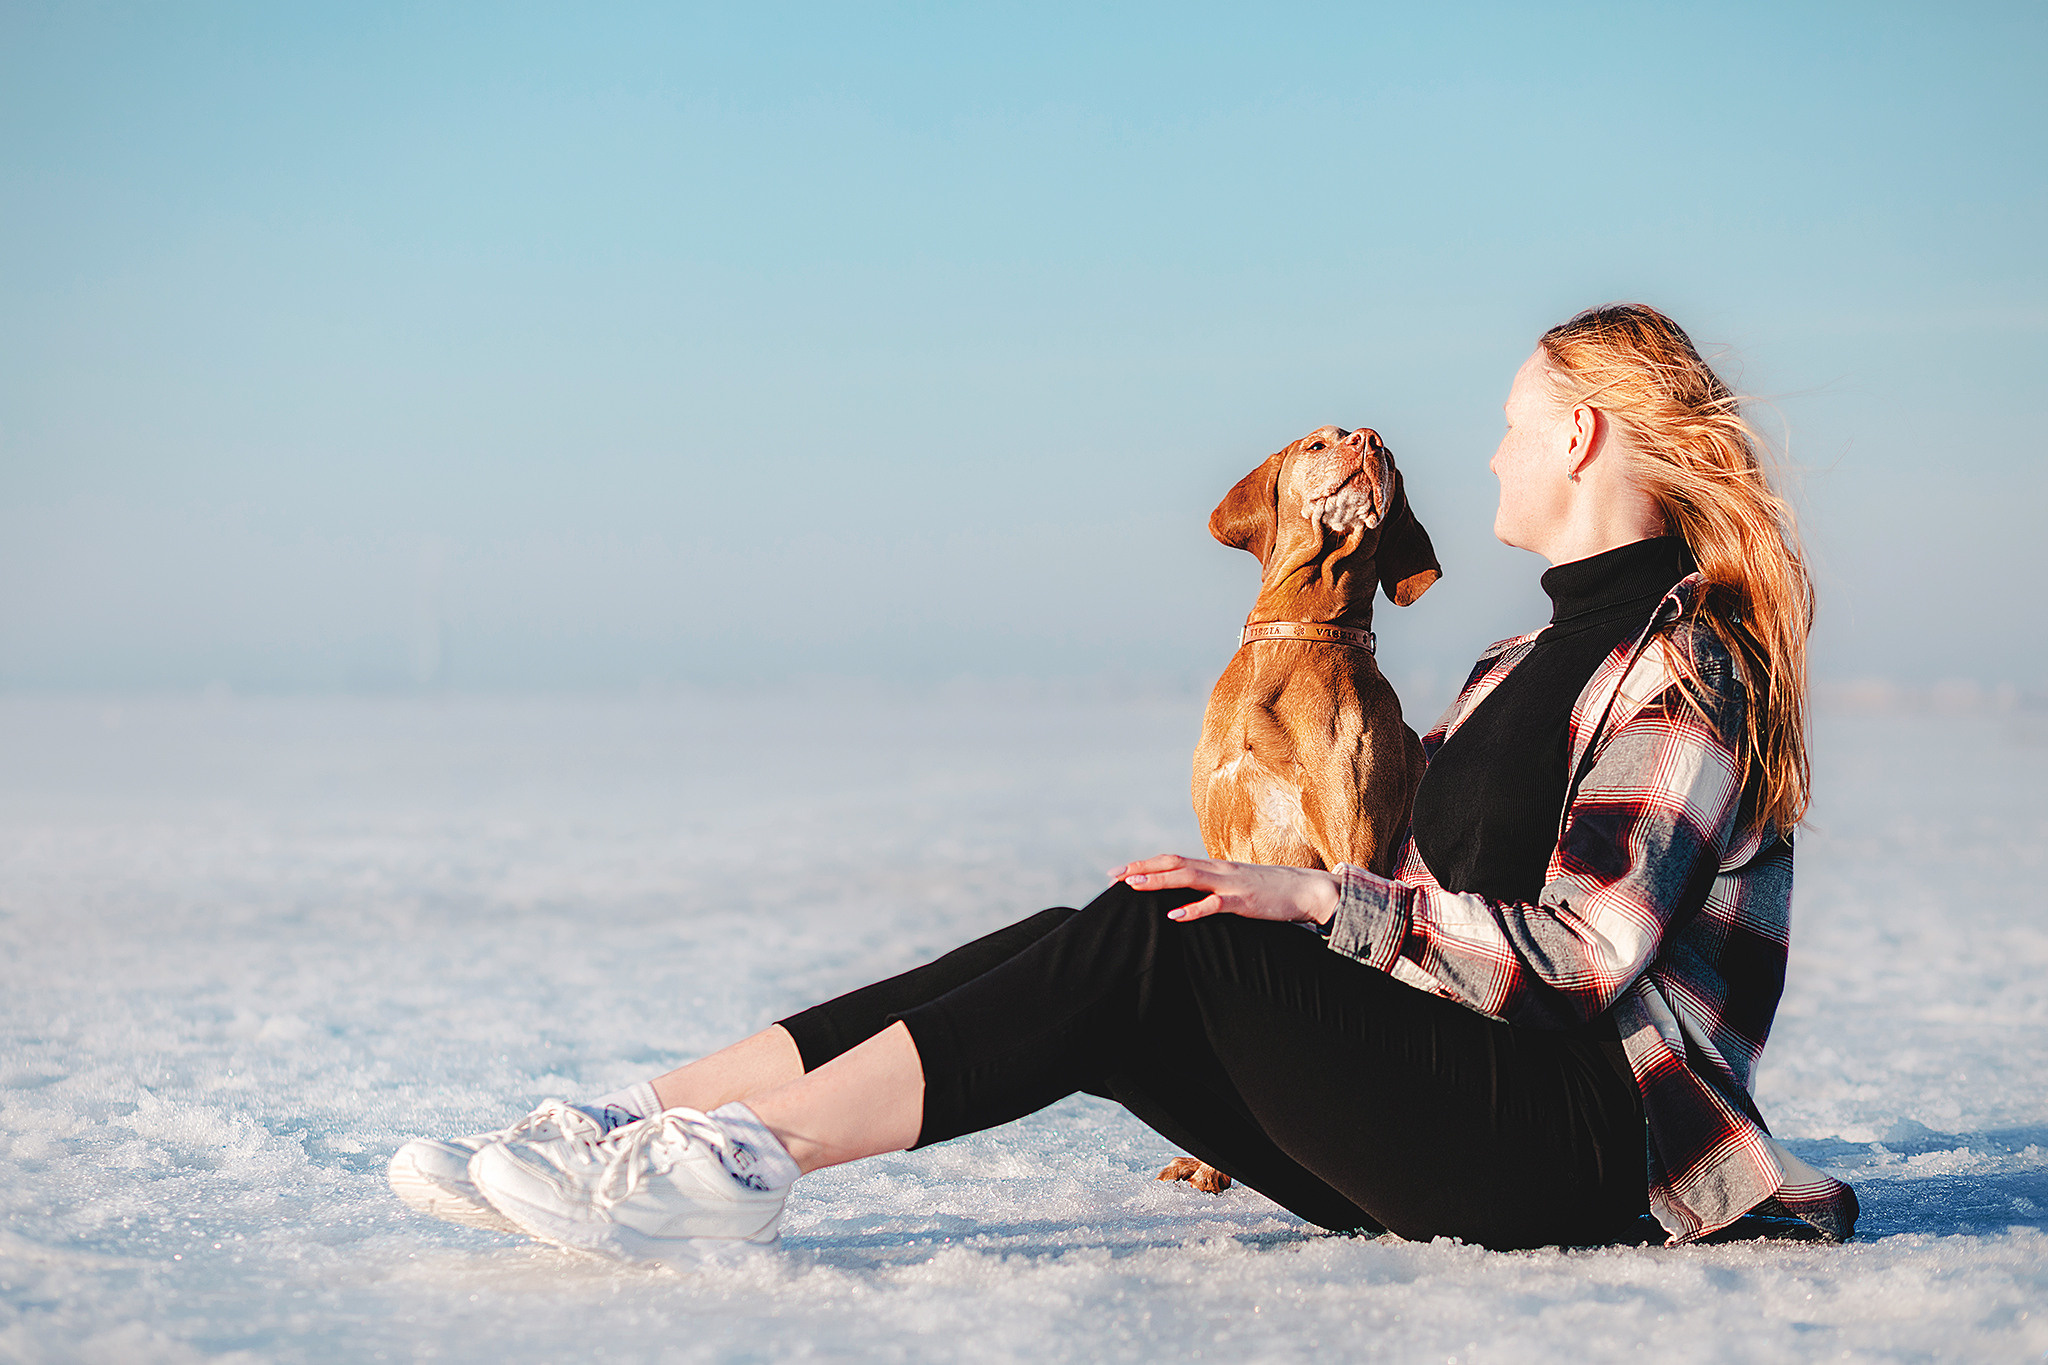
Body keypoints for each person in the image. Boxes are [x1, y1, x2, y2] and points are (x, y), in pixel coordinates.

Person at [387, 303, 1858, 1264]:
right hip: (1464, 1110)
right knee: (1103, 926)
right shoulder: (1508, 666)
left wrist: (1310, 898)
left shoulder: (1686, 667)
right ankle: (636, 1120)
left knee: (1160, 941)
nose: (1489, 455)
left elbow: (1587, 957)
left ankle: (742, 1169)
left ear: (1581, 436)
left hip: (1595, 1152)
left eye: (1515, 424)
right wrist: (1290, 907)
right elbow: (1434, 926)